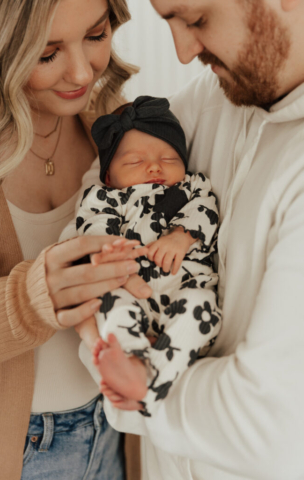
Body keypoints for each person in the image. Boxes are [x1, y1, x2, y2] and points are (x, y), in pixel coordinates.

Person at [74, 0, 304, 478]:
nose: (182, 52)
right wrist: (99, 289)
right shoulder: (215, 92)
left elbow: (265, 425)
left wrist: (141, 388)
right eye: (169, 22)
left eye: (197, 19)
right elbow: (99, 189)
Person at [0, 0, 150, 479]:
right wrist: (29, 300)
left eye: (96, 36)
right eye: (47, 53)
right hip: (18, 453)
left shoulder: (120, 127)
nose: (82, 71)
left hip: (115, 432)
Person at [74, 95, 221, 417]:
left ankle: (150, 382)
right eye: (134, 162)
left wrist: (181, 237)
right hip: (131, 290)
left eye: (169, 158)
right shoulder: (105, 197)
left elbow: (206, 210)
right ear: (109, 176)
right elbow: (92, 230)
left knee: (202, 306)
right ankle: (132, 358)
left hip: (185, 290)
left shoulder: (192, 187)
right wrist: (108, 252)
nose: (155, 167)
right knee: (111, 303)